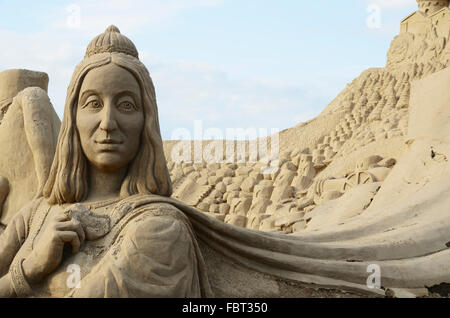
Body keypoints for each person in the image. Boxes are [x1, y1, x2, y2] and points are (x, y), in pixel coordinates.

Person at [0, 25, 212, 298]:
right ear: (73, 118)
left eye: (126, 105)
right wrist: (31, 268)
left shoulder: (159, 229)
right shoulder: (35, 214)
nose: (108, 123)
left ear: (146, 121)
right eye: (93, 104)